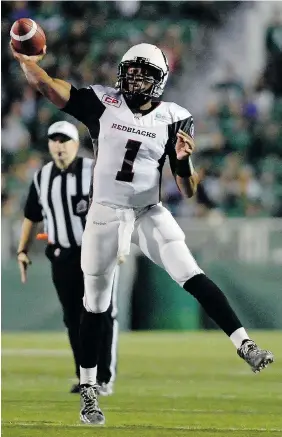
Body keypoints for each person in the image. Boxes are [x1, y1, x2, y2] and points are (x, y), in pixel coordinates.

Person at [11, 41, 274, 425]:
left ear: (160, 80)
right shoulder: (103, 102)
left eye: (143, 73)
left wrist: (183, 163)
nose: (134, 78)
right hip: (106, 210)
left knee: (190, 272)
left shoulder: (175, 117)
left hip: (149, 210)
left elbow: (187, 189)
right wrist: (27, 62)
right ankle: (88, 389)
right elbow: (52, 87)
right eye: (130, 70)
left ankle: (245, 344)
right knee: (96, 302)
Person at [17, 121, 118, 396]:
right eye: (54, 140)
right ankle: (85, 378)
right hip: (62, 255)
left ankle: (104, 377)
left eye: (64, 140)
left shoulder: (93, 172)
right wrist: (22, 250)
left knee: (101, 314)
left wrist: (118, 245)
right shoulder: (42, 177)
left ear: (76, 144)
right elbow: (32, 216)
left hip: (96, 253)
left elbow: (116, 209)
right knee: (73, 318)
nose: (59, 146)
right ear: (49, 145)